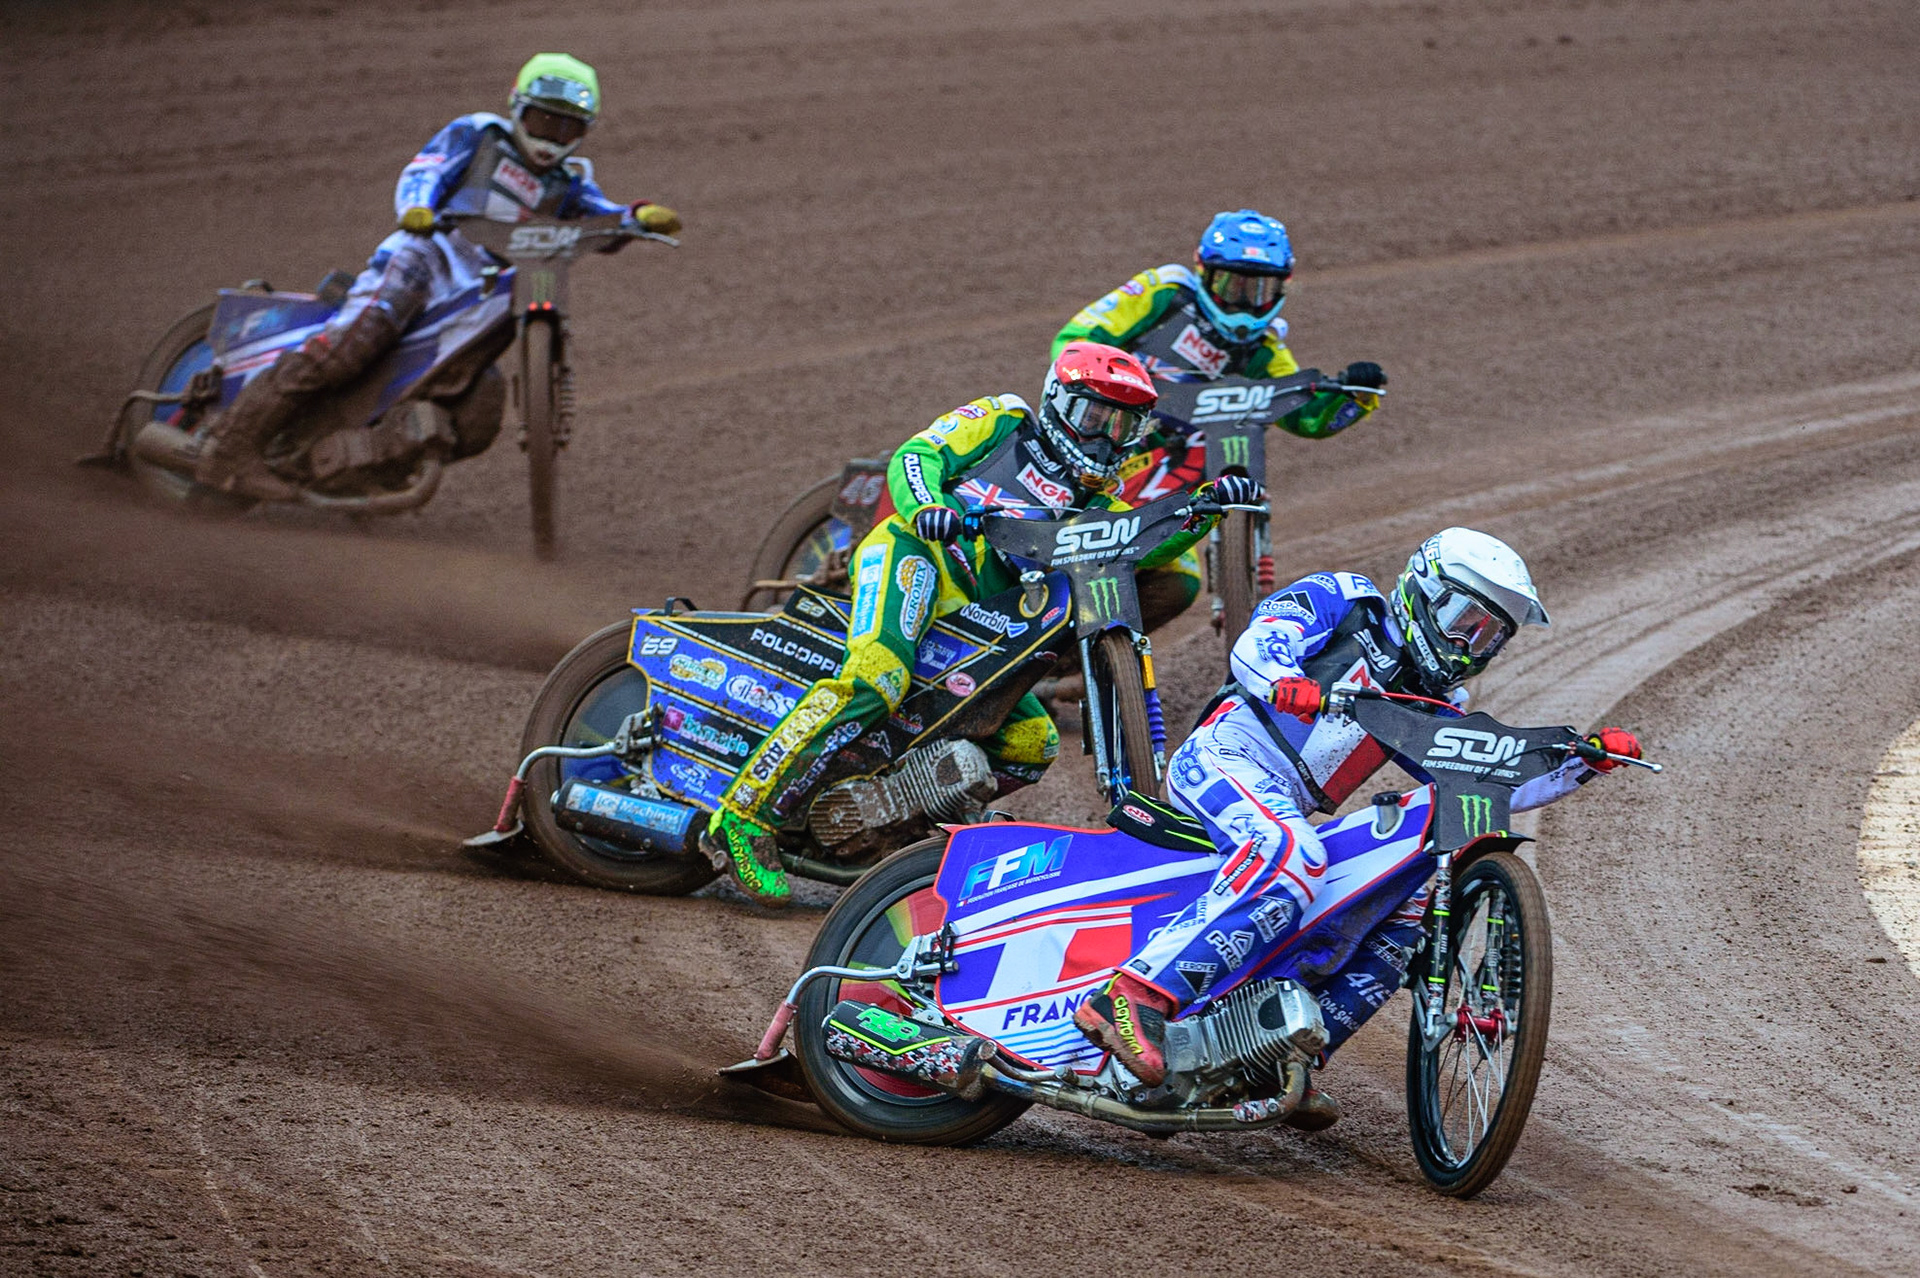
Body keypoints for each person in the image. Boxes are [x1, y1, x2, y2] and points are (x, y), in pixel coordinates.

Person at [1073, 527, 1642, 1128]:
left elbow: (1485, 783)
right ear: (1424, 590)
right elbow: (1260, 638)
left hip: (1281, 800)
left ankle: (1277, 1055)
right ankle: (1133, 996)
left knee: (1406, 901)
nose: (1468, 644)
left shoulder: (1438, 699)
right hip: (1226, 755)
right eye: (1463, 620)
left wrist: (1582, 764)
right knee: (1292, 854)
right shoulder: (1348, 600)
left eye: (1488, 635)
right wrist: (1283, 679)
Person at [704, 342, 1262, 905]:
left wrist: (1205, 506)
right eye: (1094, 417)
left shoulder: (1098, 507)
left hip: (979, 622)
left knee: (1032, 741)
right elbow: (918, 455)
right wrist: (927, 506)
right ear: (1058, 402)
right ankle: (743, 814)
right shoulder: (1005, 422)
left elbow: (1145, 548)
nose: (1104, 438)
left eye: (1122, 426)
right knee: (878, 678)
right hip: (917, 555)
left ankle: (896, 822)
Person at [194, 53, 682, 498]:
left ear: (583, 132)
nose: (551, 138)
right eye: (542, 121)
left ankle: (370, 460)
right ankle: (228, 450)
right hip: (429, 256)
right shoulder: (479, 133)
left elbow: (601, 215)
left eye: (565, 127)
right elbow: (425, 171)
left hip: (485, 289)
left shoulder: (571, 181)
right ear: (517, 107)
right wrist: (418, 208)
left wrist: (637, 218)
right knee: (353, 343)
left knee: (478, 402)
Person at [1052, 209, 1388, 632]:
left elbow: (1304, 416)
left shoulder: (1262, 347)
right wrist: (1112, 391)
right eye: (1232, 285)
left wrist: (1356, 394)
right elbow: (1073, 343)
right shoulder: (1165, 293)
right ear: (1204, 273)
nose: (1243, 302)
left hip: (1177, 466)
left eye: (1258, 289)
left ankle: (1089, 661)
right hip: (1105, 443)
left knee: (1178, 583)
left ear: (1282, 287)